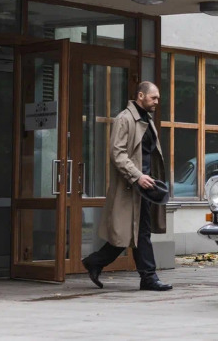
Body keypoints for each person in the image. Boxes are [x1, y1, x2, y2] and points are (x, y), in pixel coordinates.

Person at [82, 82, 173, 292]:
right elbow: (117, 153)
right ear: (141, 96)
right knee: (135, 232)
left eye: (158, 98)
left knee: (136, 232)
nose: (157, 102)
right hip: (131, 187)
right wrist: (137, 176)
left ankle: (96, 262)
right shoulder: (125, 119)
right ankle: (148, 277)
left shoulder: (147, 120)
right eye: (153, 98)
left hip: (144, 188)